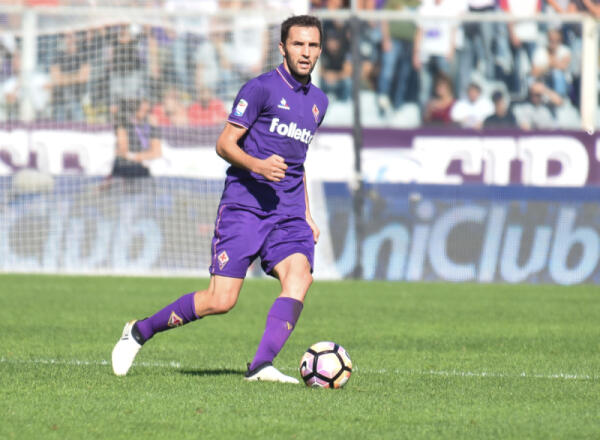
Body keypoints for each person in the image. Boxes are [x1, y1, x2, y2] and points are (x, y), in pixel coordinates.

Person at [111, 15, 329, 384]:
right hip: (246, 206)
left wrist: (306, 214)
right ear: (282, 48)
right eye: (298, 44)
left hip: (289, 212)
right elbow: (224, 144)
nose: (306, 52)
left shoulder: (319, 102)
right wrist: (258, 165)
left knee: (300, 278)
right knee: (221, 299)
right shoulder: (259, 89)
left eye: (312, 45)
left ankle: (260, 366)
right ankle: (138, 331)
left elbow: (298, 163)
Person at [111, 98, 162, 178]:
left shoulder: (151, 125)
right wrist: (137, 157)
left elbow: (157, 152)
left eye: (147, 110)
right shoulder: (124, 124)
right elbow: (123, 152)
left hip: (144, 166)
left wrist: (138, 157)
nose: (145, 112)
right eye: (142, 109)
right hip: (127, 166)